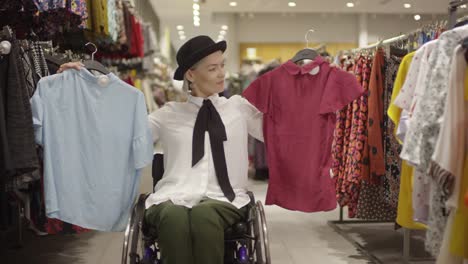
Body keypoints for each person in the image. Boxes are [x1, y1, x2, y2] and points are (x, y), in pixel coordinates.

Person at [57, 35, 264, 264]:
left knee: (204, 215)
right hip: (173, 195)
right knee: (173, 217)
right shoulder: (169, 114)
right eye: (213, 68)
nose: (222, 73)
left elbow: (279, 132)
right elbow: (123, 134)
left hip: (226, 198)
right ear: (191, 74)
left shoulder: (238, 108)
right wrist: (82, 86)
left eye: (222, 66)